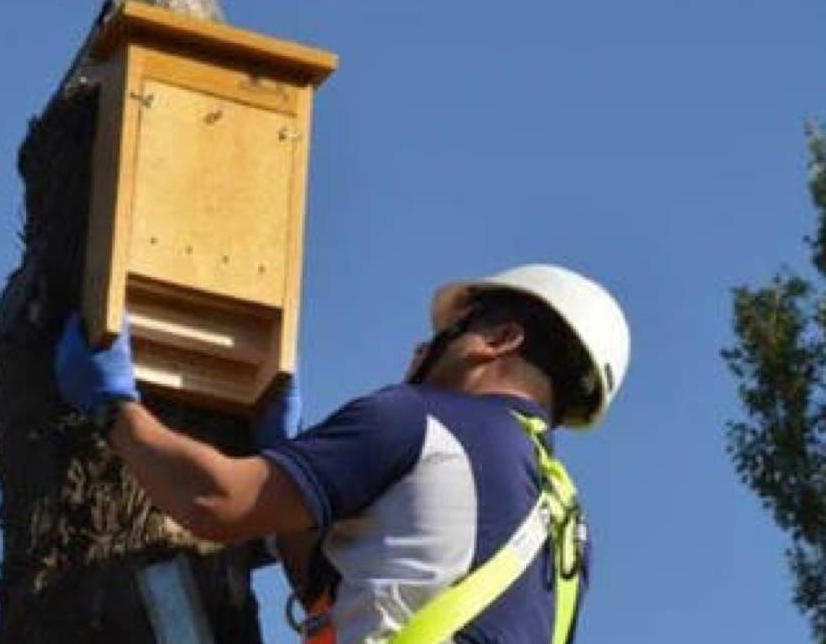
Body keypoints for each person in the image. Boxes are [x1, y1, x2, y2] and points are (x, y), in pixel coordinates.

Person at [54, 264, 630, 644]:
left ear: (499, 340)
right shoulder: (566, 533)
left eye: (449, 331)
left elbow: (216, 502)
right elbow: (349, 595)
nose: (420, 348)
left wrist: (114, 408)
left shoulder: (416, 417)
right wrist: (291, 466)